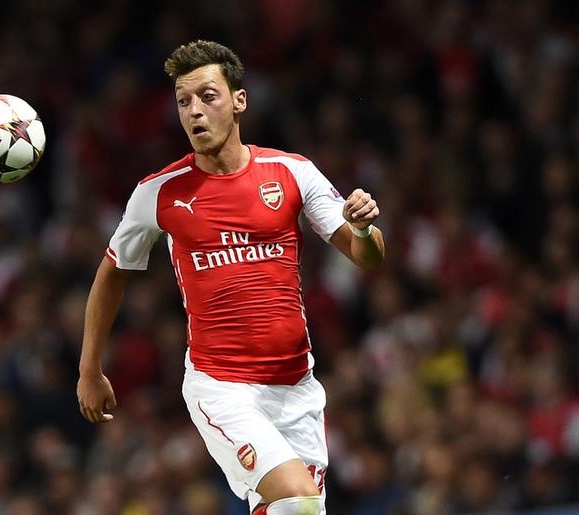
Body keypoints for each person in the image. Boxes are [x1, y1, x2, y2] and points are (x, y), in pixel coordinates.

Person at [77, 40, 385, 515]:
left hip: (297, 385)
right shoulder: (157, 193)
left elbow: (367, 257)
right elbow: (112, 275)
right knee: (295, 496)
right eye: (184, 101)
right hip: (223, 387)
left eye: (208, 96)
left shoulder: (291, 173)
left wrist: (364, 227)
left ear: (239, 100)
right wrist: (90, 369)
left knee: (292, 510)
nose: (195, 112)